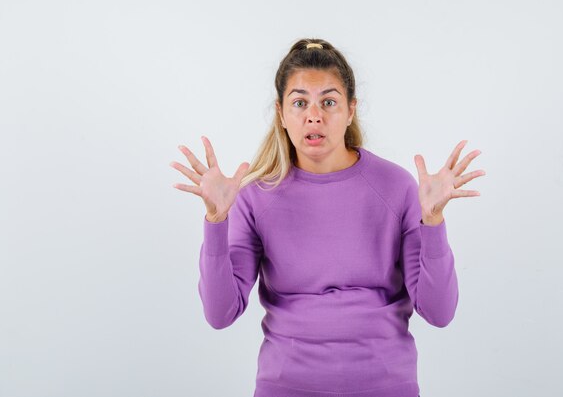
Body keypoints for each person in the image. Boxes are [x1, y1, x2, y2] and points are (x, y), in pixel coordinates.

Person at [170, 38, 486, 397]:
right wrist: (216, 220)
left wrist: (433, 222)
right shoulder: (255, 197)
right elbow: (220, 313)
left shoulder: (396, 187)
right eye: (300, 102)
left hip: (386, 386)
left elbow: (439, 312)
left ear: (351, 110)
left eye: (329, 102)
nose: (314, 115)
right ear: (281, 114)